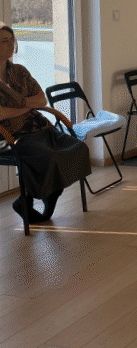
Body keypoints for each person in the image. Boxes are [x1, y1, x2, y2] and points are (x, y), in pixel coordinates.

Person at [0, 23, 91, 223]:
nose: (9, 44)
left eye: (10, 40)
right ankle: (27, 200)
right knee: (49, 157)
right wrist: (25, 106)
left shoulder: (19, 71)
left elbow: (41, 99)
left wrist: (21, 106)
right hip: (11, 135)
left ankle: (50, 194)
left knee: (78, 148)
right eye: (3, 41)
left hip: (38, 126)